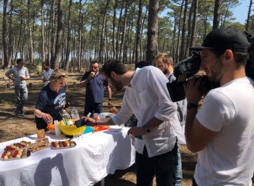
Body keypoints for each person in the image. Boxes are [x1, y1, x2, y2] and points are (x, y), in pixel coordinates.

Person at [82, 59, 184, 186]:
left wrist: (143, 128)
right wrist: (95, 122)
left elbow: (169, 106)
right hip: (142, 147)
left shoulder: (149, 73)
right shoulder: (129, 93)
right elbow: (119, 118)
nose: (108, 85)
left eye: (107, 81)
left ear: (113, 75)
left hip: (162, 146)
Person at [185, 27, 254, 185]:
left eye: (206, 57)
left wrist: (192, 103)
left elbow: (193, 145)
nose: (202, 65)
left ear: (227, 56)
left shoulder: (220, 98)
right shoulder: (251, 87)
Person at [154, 53, 186, 186]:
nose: (158, 69)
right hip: (168, 122)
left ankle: (177, 182)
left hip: (176, 122)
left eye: (160, 66)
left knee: (175, 154)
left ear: (168, 64)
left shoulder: (176, 80)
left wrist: (177, 122)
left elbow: (180, 105)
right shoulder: (165, 79)